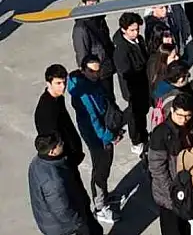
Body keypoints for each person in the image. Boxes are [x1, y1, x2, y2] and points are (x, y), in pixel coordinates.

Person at [67, 55, 122, 225]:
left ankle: (104, 196)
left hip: (102, 131)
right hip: (96, 136)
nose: (95, 74)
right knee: (100, 168)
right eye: (91, 71)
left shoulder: (92, 83)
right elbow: (93, 121)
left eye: (97, 71)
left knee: (105, 165)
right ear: (83, 70)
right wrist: (109, 136)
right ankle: (99, 206)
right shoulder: (83, 93)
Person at [28, 132, 104, 235]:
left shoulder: (36, 163)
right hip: (65, 225)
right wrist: (79, 223)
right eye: (59, 144)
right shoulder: (54, 181)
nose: (62, 143)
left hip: (48, 220)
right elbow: (62, 211)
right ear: (52, 152)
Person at [148, 92, 193, 235]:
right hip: (168, 195)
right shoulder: (161, 133)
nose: (184, 120)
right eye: (180, 115)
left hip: (185, 187)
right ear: (172, 111)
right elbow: (157, 169)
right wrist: (172, 191)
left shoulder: (191, 124)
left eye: (187, 116)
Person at [34, 64, 86, 183]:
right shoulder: (46, 111)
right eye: (58, 83)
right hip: (63, 160)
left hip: (70, 156)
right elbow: (51, 143)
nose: (63, 87)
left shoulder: (58, 98)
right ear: (48, 83)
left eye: (64, 82)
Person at [112, 11, 151, 156]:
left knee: (142, 113)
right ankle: (136, 141)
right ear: (124, 30)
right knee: (134, 115)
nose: (136, 33)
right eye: (132, 30)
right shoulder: (121, 50)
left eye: (137, 29)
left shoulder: (139, 40)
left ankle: (143, 134)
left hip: (143, 85)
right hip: (132, 88)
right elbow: (125, 72)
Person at [71, 0, 116, 102]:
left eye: (96, 4)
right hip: (96, 72)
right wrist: (90, 74)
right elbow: (82, 54)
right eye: (91, 4)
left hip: (106, 67)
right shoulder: (80, 28)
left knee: (110, 98)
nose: (94, 7)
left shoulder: (99, 19)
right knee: (104, 102)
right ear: (83, 4)